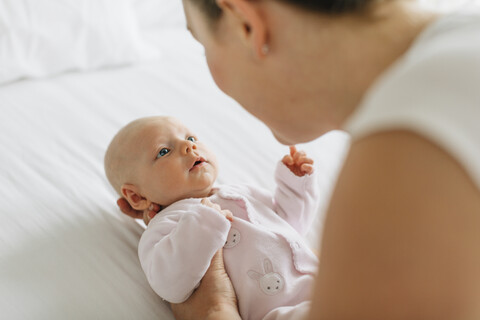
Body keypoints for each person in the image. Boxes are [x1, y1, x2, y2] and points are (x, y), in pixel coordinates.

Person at [119, 0, 480, 319]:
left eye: (201, 44)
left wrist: (215, 312)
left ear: (245, 23)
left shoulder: (407, 147)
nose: (188, 147)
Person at [105, 116, 320, 320]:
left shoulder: (242, 192)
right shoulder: (164, 227)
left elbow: (291, 225)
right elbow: (170, 284)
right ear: (136, 195)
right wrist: (202, 225)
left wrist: (295, 187)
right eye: (164, 151)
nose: (189, 146)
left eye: (190, 138)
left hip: (325, 285)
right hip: (281, 312)